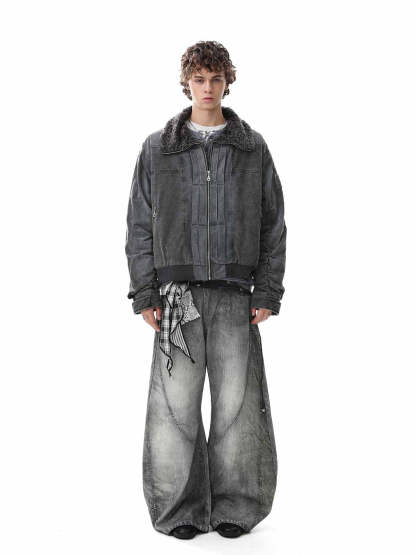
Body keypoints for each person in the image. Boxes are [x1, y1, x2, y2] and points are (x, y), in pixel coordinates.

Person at [125, 40, 287, 540]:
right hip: (177, 299)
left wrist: (267, 290)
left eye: (216, 78)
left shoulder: (252, 147)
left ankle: (236, 507)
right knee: (173, 409)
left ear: (227, 82)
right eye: (199, 79)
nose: (208, 88)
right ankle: (180, 510)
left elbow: (273, 223)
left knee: (237, 406)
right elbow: (139, 225)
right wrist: (145, 292)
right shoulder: (158, 148)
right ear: (186, 83)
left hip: (237, 295)